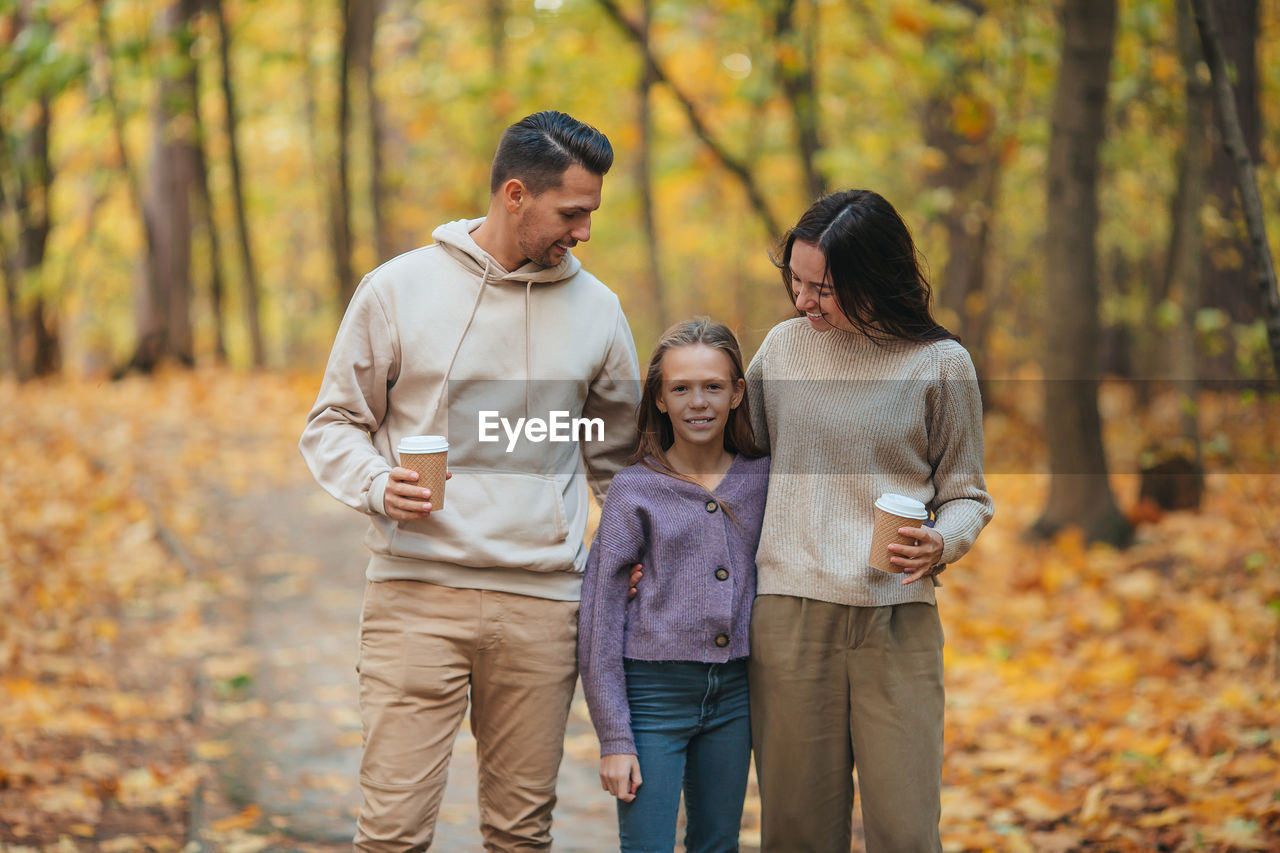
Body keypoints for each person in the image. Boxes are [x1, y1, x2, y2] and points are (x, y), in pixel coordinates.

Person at [299, 110, 642, 851]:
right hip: (414, 595)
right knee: (391, 832)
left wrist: (635, 547)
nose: (584, 231)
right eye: (572, 212)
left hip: (543, 605)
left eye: (591, 214)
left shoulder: (600, 311)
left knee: (520, 835)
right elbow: (331, 423)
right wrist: (375, 482)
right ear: (515, 194)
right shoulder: (397, 289)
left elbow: (616, 461)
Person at [744, 189, 994, 852]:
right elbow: (735, 469)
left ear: (873, 278)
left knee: (907, 832)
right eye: (795, 281)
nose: (803, 301)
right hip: (791, 616)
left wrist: (943, 540)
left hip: (898, 617)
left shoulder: (942, 364)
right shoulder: (781, 350)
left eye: (823, 289)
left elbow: (968, 492)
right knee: (796, 832)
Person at [578, 318, 769, 853]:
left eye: (712, 386)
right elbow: (599, 618)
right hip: (652, 697)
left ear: (736, 394)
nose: (697, 402)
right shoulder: (634, 489)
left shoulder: (763, 479)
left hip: (735, 695)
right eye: (680, 388)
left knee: (717, 843)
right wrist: (615, 738)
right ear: (659, 400)